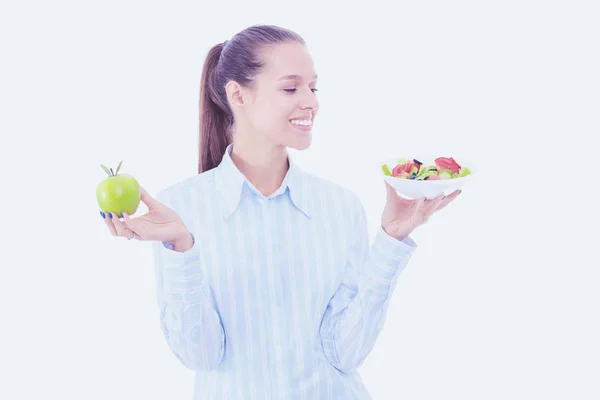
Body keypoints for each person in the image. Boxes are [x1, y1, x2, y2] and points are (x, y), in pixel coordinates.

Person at [100, 24, 460, 400]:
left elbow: (346, 352)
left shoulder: (339, 207)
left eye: (313, 87)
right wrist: (181, 247)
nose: (311, 102)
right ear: (237, 95)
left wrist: (391, 241)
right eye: (291, 88)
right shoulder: (180, 210)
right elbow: (201, 356)